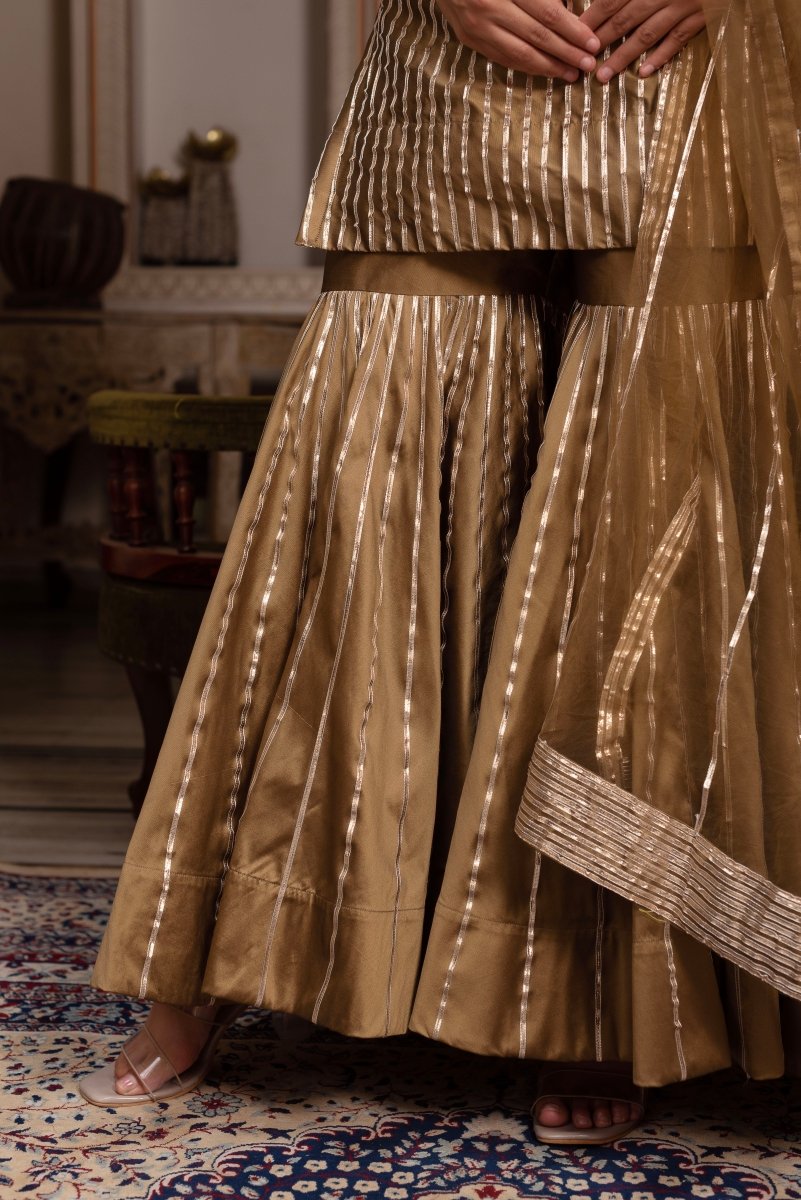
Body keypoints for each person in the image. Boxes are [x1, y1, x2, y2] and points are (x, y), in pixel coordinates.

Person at [78, 0, 801, 1144]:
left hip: (690, 57)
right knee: (367, 476)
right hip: (450, 49)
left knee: (649, 482)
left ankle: (591, 992)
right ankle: (231, 948)